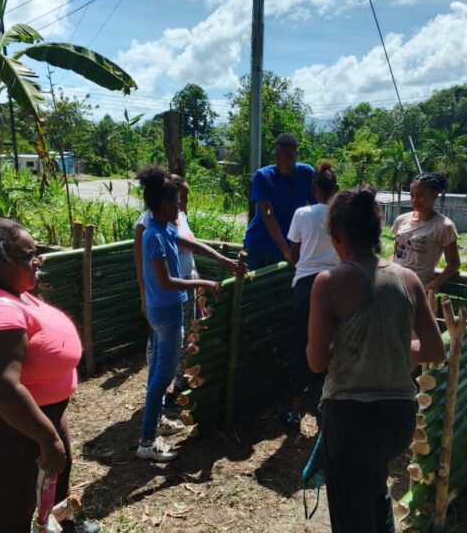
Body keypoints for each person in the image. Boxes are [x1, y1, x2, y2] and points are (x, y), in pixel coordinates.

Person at [0, 218, 100, 533]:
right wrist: (47, 437)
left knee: (57, 481)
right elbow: (2, 388)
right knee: (18, 506)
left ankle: (61, 526)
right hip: (15, 427)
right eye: (28, 257)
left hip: (39, 416)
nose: (38, 261)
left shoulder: (5, 287)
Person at [307, 186, 446, 532]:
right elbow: (434, 350)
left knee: (350, 511)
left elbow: (316, 362)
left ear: (337, 236)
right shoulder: (409, 280)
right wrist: (394, 348)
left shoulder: (328, 282)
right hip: (398, 418)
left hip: (351, 418)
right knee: (373, 485)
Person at [137, 166, 245, 462]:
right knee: (163, 377)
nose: (179, 208)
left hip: (167, 309)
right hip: (167, 312)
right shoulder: (154, 236)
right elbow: (167, 281)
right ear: (161, 206)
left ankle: (155, 424)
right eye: (174, 203)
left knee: (159, 372)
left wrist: (222, 259)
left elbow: (189, 243)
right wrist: (205, 282)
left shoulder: (164, 229)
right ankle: (147, 440)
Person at [282, 162, 339, 431]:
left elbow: (294, 254)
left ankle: (294, 412)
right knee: (333, 346)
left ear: (314, 188)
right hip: (336, 287)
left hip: (305, 287)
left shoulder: (302, 214)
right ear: (335, 189)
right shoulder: (342, 216)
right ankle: (324, 409)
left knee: (301, 346)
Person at [134, 172, 197, 402]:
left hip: (185, 286)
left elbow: (190, 248)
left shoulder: (179, 217)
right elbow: (141, 263)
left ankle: (179, 381)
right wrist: (144, 296)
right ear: (168, 199)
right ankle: (157, 393)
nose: (185, 204)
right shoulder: (148, 223)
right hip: (161, 294)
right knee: (160, 343)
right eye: (182, 198)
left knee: (185, 335)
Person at [243, 133, 315, 270]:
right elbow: (268, 213)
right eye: (278, 157)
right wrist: (286, 251)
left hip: (290, 246)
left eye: (288, 158)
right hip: (260, 246)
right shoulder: (263, 176)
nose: (283, 162)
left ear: (297, 155)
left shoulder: (306, 174)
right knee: (255, 290)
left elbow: (317, 208)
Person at [392, 173, 460, 294]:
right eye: (412, 195)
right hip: (394, 284)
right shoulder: (401, 220)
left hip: (419, 288)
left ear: (434, 194)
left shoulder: (444, 226)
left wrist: (435, 284)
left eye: (420, 195)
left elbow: (454, 263)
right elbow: (396, 254)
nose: (414, 200)